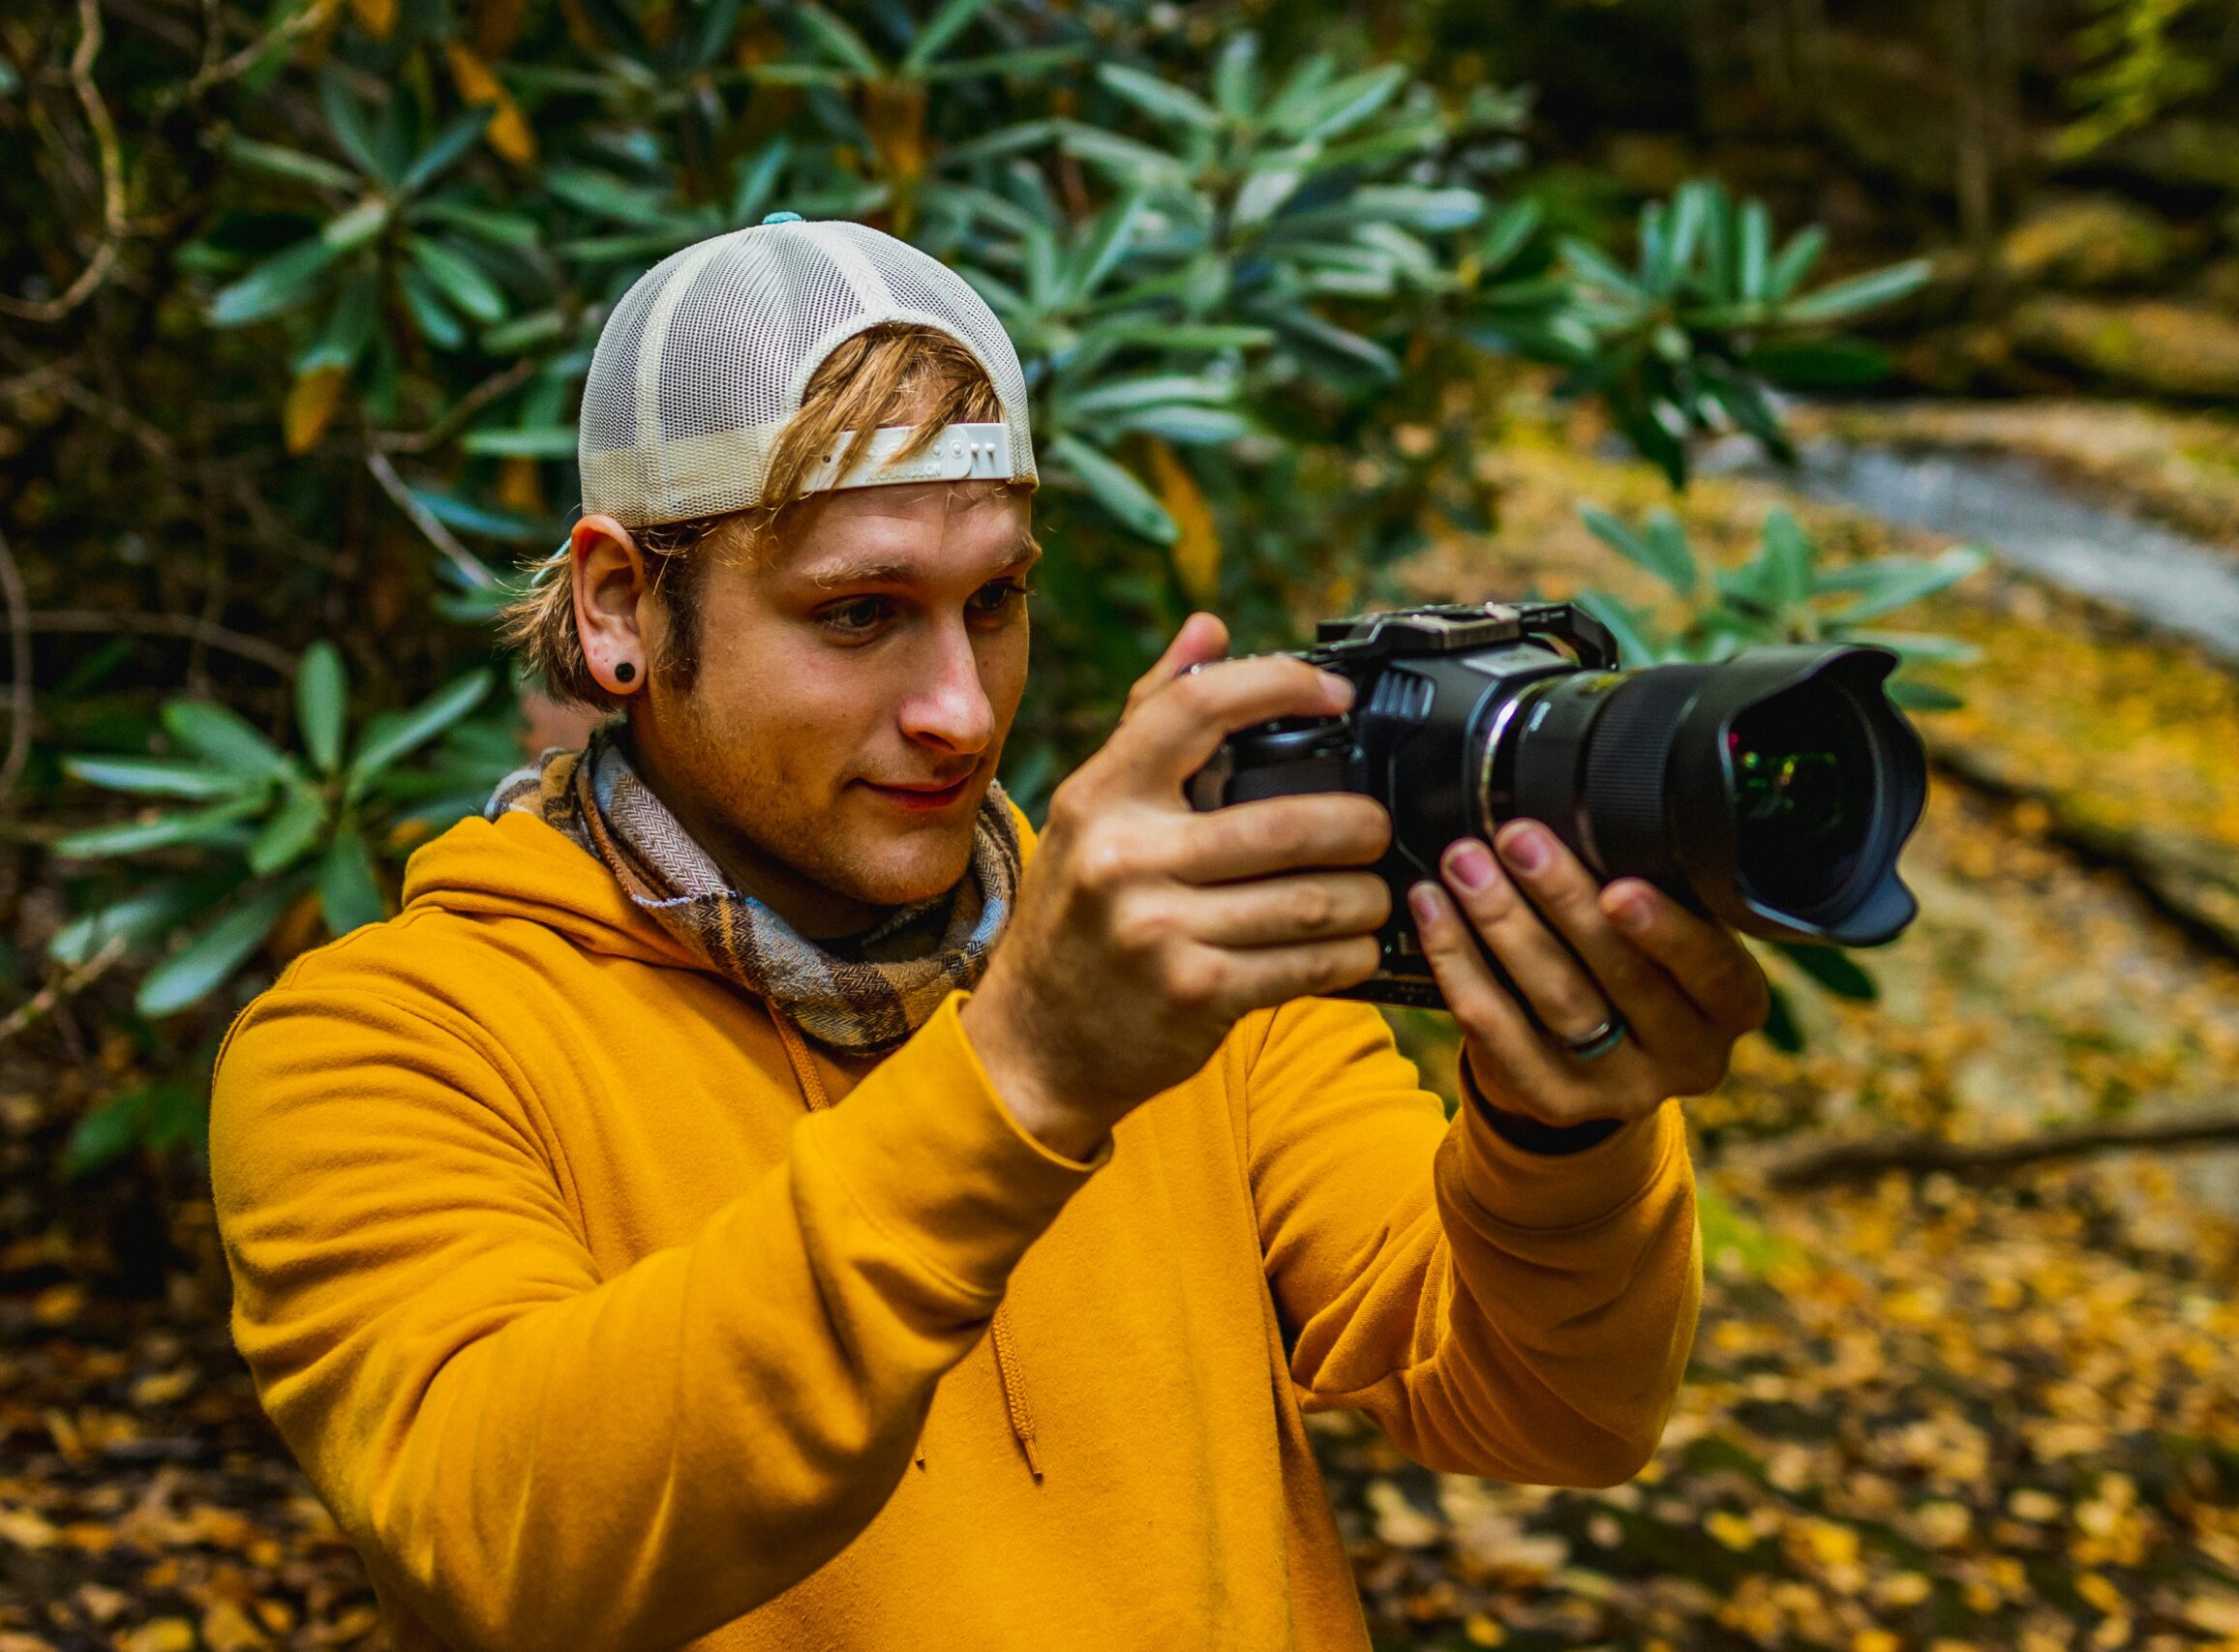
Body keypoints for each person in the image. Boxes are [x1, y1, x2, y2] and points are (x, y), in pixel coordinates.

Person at [208, 219, 1770, 1652]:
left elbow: (1551, 1413)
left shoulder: (1175, 964)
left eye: (996, 599)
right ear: (619, 607)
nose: (960, 709)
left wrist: (1560, 1129)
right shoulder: (381, 1042)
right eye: (859, 613)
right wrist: (1022, 1075)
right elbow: (506, 1545)